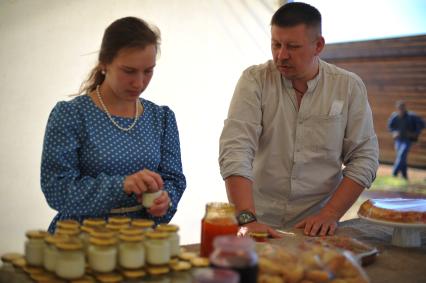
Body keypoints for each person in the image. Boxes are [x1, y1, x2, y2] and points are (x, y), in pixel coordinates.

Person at [219, 2, 379, 237]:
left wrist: (331, 214)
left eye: (293, 46)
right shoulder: (254, 81)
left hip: (317, 224)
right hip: (257, 218)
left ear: (319, 46)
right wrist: (246, 218)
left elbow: (365, 157)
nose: (281, 55)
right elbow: (235, 149)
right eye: (276, 44)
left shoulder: (348, 86)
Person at [41, 17, 186, 233]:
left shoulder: (161, 118)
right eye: (128, 71)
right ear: (104, 63)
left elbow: (174, 179)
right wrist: (121, 186)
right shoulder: (71, 114)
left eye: (148, 71)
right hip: (78, 241)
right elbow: (57, 189)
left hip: (141, 241)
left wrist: (164, 200)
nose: (139, 82)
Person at [388, 100, 424, 179]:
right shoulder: (395, 116)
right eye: (399, 109)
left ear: (404, 108)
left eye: (402, 108)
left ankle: (394, 174)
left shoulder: (411, 116)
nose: (401, 110)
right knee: (402, 157)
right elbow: (390, 127)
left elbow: (422, 124)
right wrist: (394, 132)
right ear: (397, 109)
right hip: (398, 140)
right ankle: (404, 176)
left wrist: (415, 133)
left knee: (402, 154)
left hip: (407, 140)